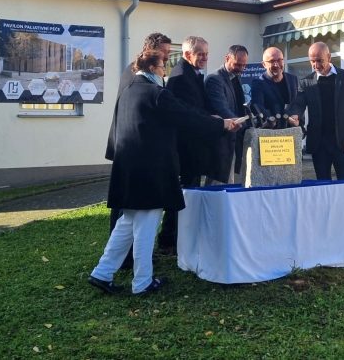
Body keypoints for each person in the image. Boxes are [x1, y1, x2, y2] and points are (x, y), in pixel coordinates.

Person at [89, 50, 240, 295]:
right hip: (151, 173)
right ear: (151, 68)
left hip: (128, 169)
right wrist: (220, 123)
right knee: (146, 227)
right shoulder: (156, 94)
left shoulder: (129, 91)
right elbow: (186, 116)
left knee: (126, 223)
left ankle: (102, 272)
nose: (164, 73)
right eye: (162, 68)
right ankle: (142, 282)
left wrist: (211, 119)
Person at [104, 32, 172, 268]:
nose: (168, 57)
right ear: (152, 51)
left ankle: (124, 259)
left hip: (133, 147)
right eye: (165, 52)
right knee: (126, 208)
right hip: (133, 149)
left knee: (130, 212)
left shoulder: (141, 72)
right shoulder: (136, 74)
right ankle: (128, 260)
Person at [157, 35, 211, 252]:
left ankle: (179, 237)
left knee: (188, 192)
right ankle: (169, 240)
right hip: (185, 148)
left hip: (193, 147)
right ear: (188, 54)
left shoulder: (193, 74)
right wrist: (213, 122)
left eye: (207, 54)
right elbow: (188, 113)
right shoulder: (180, 77)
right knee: (180, 195)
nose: (205, 58)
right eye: (201, 55)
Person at [287, 42, 344, 181]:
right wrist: (294, 115)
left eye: (319, 61)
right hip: (319, 144)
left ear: (329, 57)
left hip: (342, 142)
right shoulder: (306, 82)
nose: (316, 65)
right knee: (323, 185)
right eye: (312, 61)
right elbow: (298, 103)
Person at [204, 44, 249, 183]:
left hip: (234, 139)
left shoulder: (235, 77)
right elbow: (220, 107)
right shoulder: (214, 79)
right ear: (227, 58)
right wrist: (237, 120)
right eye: (237, 64)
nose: (241, 69)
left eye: (244, 65)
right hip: (220, 142)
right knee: (218, 185)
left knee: (229, 182)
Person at [250, 46, 299, 124]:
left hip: (292, 130)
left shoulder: (292, 79)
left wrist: (297, 118)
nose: (276, 65)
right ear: (264, 64)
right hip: (271, 131)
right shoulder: (258, 83)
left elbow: (297, 103)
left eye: (279, 60)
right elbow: (259, 108)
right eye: (272, 61)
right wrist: (279, 120)